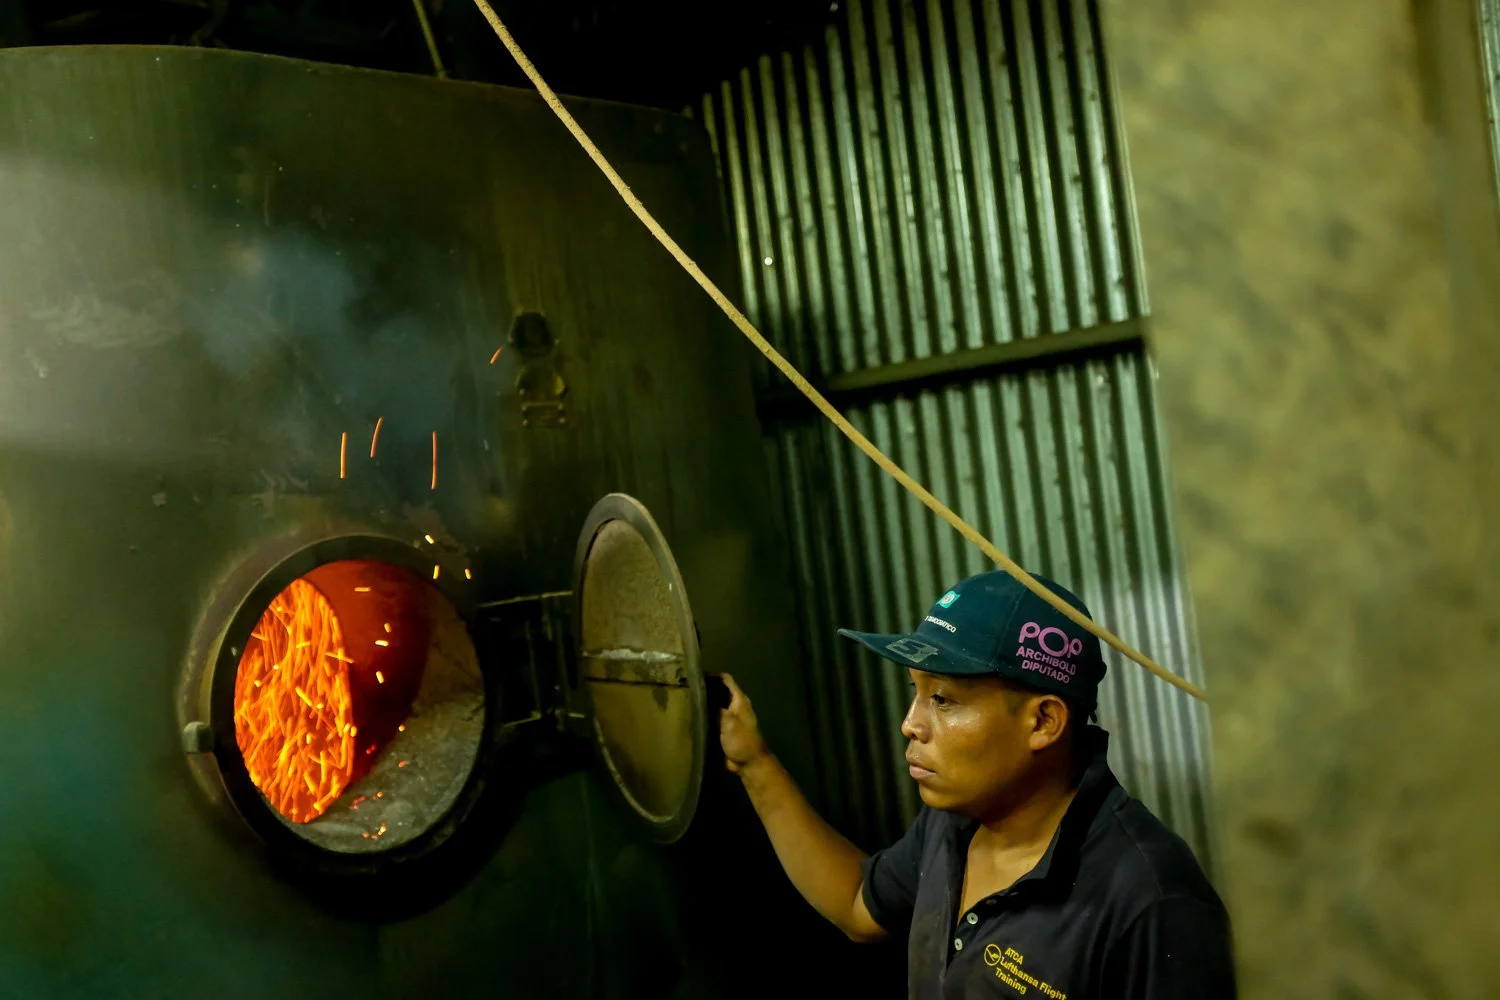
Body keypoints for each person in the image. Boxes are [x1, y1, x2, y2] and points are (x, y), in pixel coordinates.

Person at [718, 569, 1235, 998]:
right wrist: (755, 764)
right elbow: (859, 904)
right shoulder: (953, 824)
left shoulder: (1152, 903)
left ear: (1043, 722)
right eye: (916, 693)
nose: (911, 724)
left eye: (942, 700)